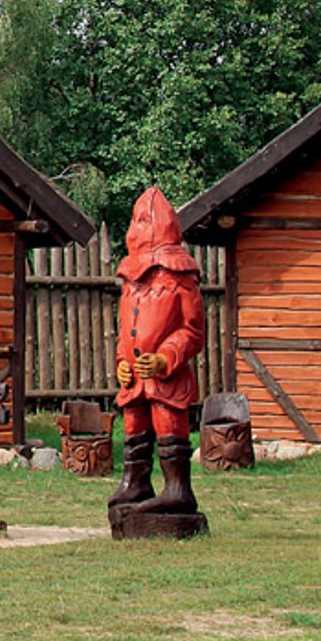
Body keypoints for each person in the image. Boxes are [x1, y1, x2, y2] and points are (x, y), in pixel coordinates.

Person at [109, 187, 204, 515]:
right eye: (134, 221)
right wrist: (123, 361)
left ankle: (178, 489)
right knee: (134, 423)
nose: (133, 230)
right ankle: (136, 482)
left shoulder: (181, 278)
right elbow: (124, 332)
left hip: (166, 378)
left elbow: (193, 331)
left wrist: (165, 358)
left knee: (167, 422)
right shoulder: (130, 280)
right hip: (135, 380)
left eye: (142, 221)